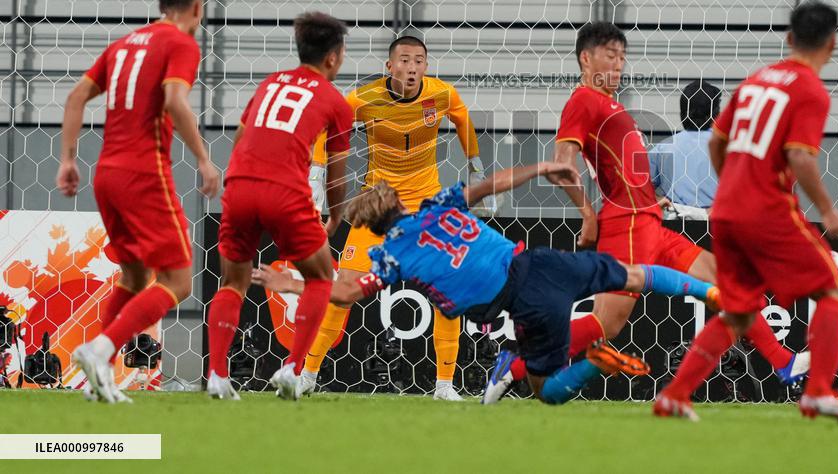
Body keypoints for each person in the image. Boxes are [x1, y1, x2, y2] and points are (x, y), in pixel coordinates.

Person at [483, 22, 805, 404]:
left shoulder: (611, 105)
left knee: (725, 281)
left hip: (648, 219)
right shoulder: (583, 101)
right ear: (585, 59)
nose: (618, 65)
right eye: (609, 55)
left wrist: (650, 197)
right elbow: (561, 164)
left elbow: (621, 172)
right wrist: (587, 213)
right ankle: (516, 364)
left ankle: (785, 363)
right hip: (629, 226)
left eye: (622, 57)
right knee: (607, 324)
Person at [252, 162, 722, 405]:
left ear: (372, 227)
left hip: (521, 302)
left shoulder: (391, 253)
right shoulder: (438, 205)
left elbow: (347, 291)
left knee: (549, 391)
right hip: (539, 262)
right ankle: (714, 293)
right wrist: (541, 168)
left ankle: (592, 364)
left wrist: (288, 284)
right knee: (638, 275)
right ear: (400, 201)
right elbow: (492, 184)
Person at [653, 1, 838, 422]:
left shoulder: (756, 82)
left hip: (727, 214)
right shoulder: (809, 90)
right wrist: (829, 211)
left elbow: (716, 142)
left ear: (789, 39)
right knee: (836, 285)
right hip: (766, 210)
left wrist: (732, 185)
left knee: (739, 310)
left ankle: (674, 395)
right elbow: (800, 158)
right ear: (832, 44)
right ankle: (819, 390)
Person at [56, 0, 221, 403]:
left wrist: (68, 159)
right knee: (180, 280)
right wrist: (204, 159)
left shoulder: (124, 44)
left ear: (160, 2)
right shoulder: (181, 44)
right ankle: (101, 348)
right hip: (144, 173)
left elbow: (75, 98)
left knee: (134, 274)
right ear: (197, 7)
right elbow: (173, 100)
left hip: (105, 173)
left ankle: (100, 375)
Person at [303, 35, 490, 400]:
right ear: (389, 67)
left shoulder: (441, 94)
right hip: (378, 203)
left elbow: (463, 117)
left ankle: (445, 386)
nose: (412, 67)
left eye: (419, 60)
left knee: (447, 291)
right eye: (404, 60)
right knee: (344, 291)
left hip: (425, 207)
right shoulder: (363, 99)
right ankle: (307, 374)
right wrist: (316, 173)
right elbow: (325, 127)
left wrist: (477, 169)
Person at [204, 11, 353, 401]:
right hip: (285, 191)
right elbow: (337, 171)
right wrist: (336, 214)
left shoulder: (270, 82)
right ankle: (292, 369)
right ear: (334, 57)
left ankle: (217, 376)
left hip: (239, 186)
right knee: (321, 277)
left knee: (232, 283)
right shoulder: (336, 102)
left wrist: (238, 182)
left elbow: (241, 134)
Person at [648, 80, 721, 208]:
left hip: (674, 223)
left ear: (683, 113)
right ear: (716, 114)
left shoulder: (664, 147)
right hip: (716, 222)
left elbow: (636, 187)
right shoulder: (728, 148)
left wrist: (657, 199)